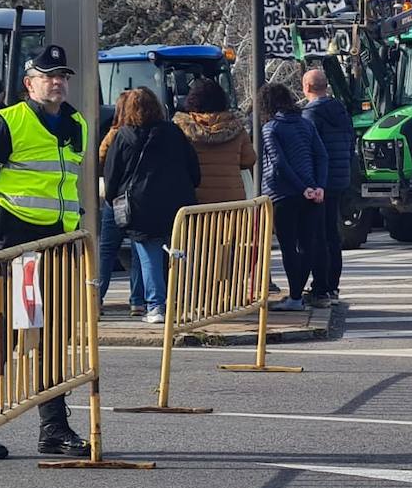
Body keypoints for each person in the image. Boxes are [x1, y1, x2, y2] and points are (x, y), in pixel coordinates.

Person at [0, 45, 94, 458]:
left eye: (62, 75)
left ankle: (53, 427)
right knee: (3, 337)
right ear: (29, 83)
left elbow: (67, 184)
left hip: (55, 247)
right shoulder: (7, 123)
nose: (57, 81)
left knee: (52, 336)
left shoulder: (76, 124)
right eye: (48, 75)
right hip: (12, 246)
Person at [103, 87, 201, 325]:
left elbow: (111, 175)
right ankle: (182, 301)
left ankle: (156, 305)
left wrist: (114, 198)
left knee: (149, 256)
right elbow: (194, 170)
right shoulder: (174, 133)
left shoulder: (123, 136)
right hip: (177, 202)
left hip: (140, 204)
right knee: (177, 254)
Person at [258, 82, 327, 312]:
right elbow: (322, 155)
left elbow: (278, 162)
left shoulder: (270, 128)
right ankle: (297, 295)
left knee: (288, 246)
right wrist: (318, 186)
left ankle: (295, 296)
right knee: (307, 243)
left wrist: (300, 188)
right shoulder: (306, 124)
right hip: (311, 190)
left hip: (282, 193)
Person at [301, 69, 355, 308]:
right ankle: (333, 286)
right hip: (340, 178)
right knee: (333, 234)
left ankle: (320, 287)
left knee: (318, 235)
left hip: (319, 182)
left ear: (306, 87)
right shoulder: (341, 111)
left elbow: (309, 150)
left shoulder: (310, 115)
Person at [97, 90, 144, 316]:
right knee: (137, 250)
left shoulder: (114, 134)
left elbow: (101, 158)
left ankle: (96, 297)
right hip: (141, 200)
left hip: (115, 199)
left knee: (106, 250)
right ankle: (137, 301)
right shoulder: (150, 133)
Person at [173, 77, 255, 205]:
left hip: (198, 206)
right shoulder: (237, 129)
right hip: (233, 206)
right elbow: (249, 159)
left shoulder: (182, 130)